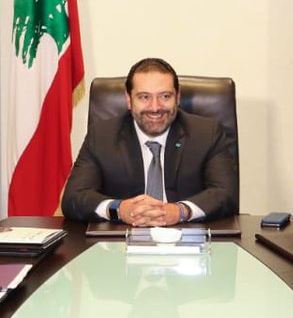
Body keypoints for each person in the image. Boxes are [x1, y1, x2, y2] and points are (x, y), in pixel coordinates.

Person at [61, 58, 238, 225]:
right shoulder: (101, 136)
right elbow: (73, 198)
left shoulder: (207, 133)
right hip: (121, 240)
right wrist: (119, 209)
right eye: (144, 97)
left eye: (165, 96)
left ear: (177, 98)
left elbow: (226, 194)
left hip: (188, 238)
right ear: (129, 100)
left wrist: (180, 211)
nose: (155, 107)